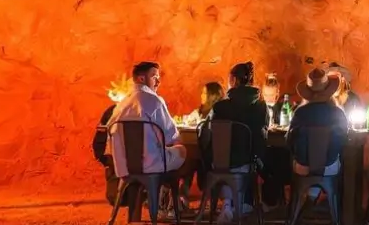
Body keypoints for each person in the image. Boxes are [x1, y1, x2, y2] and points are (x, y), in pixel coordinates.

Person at [106, 60, 187, 190]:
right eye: (154, 76)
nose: (158, 81)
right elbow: (170, 136)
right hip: (152, 164)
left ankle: (145, 197)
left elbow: (110, 133)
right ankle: (172, 199)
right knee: (182, 150)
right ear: (142, 78)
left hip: (124, 167)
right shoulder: (154, 101)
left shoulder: (122, 104)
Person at [200, 62, 269, 211]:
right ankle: (246, 202)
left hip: (219, 163)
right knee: (258, 156)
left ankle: (227, 203)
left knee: (221, 157)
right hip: (247, 161)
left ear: (233, 80)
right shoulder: (261, 107)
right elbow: (262, 136)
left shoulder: (220, 106)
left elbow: (205, 133)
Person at [288, 67, 348, 178]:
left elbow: (289, 139)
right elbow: (344, 139)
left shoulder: (300, 113)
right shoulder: (337, 113)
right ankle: (329, 192)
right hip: (329, 165)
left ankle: (306, 193)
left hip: (302, 165)